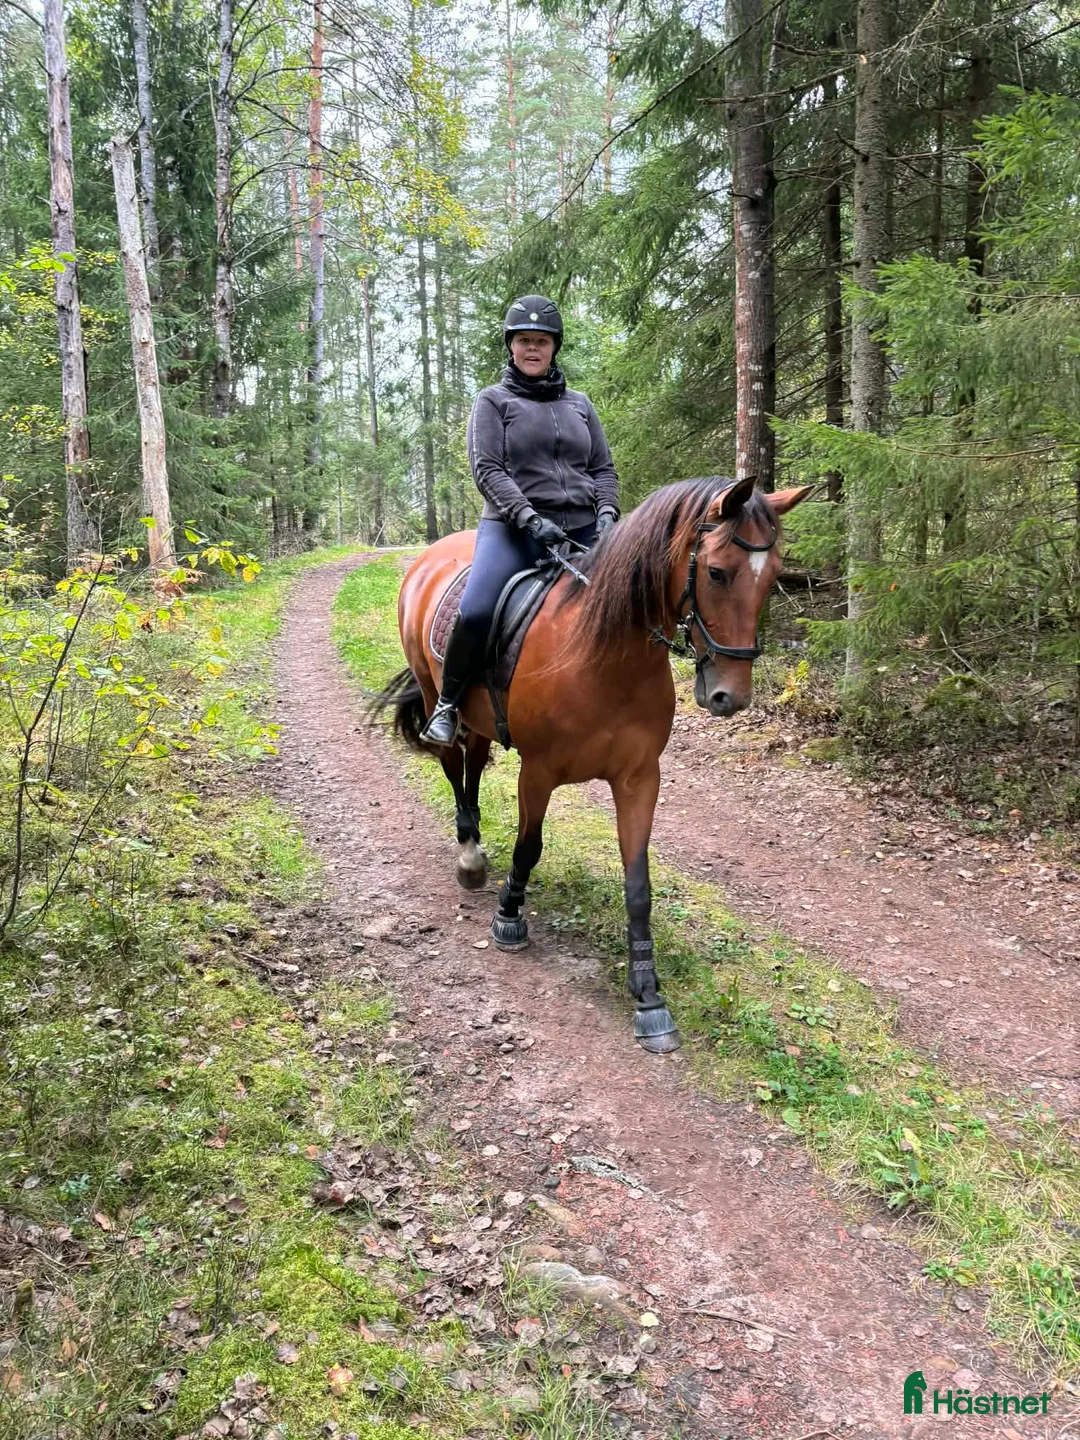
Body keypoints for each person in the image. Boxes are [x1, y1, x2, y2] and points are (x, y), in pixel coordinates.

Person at [420, 294, 621, 744]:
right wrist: (529, 519)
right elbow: (487, 469)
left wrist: (607, 514)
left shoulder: (580, 404)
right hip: (513, 529)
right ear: (511, 346)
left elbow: (603, 469)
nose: (533, 349)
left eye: (542, 341)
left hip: (584, 526)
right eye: (524, 340)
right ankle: (449, 705)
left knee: (634, 598)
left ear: (555, 347)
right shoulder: (492, 401)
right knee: (474, 611)